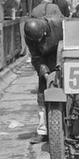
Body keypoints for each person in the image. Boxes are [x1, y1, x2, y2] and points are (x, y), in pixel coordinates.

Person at [23, 16, 64, 144]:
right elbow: (36, 57)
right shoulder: (30, 37)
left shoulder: (59, 25)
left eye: (40, 38)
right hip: (45, 63)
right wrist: (45, 74)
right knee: (42, 97)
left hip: (63, 58)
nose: (39, 41)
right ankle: (43, 131)